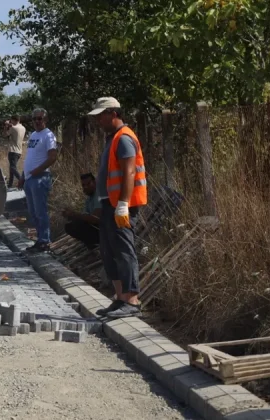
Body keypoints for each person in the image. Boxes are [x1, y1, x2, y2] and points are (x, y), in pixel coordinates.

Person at [87, 97, 147, 319]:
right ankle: (120, 297)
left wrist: (123, 204)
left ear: (113, 113)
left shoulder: (124, 139)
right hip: (110, 204)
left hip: (123, 206)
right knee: (109, 250)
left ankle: (131, 299)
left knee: (123, 251)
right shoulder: (112, 138)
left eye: (101, 115)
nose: (98, 120)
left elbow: (129, 172)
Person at [18, 108, 58, 253]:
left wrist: (38, 170)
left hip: (40, 178)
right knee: (33, 212)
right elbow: (30, 157)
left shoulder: (48, 135)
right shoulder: (33, 135)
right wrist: (23, 176)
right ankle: (39, 239)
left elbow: (52, 157)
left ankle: (45, 241)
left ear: (45, 120)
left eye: (39, 118)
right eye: (34, 119)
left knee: (41, 211)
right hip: (29, 178)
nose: (36, 121)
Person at [62, 173, 102, 248]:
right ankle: (91, 244)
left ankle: (96, 243)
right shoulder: (89, 200)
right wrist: (70, 216)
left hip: (103, 229)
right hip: (95, 228)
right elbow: (84, 216)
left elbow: (95, 219)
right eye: (83, 185)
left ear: (95, 182)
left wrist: (75, 214)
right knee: (70, 226)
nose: (86, 187)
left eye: (88, 184)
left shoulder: (99, 195)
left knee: (79, 224)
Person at [4, 115, 26, 189]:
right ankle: (10, 185)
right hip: (19, 151)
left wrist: (6, 125)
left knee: (12, 168)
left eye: (11, 120)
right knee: (12, 169)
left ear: (14, 120)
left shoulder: (13, 128)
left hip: (13, 150)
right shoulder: (23, 128)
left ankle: (22, 181)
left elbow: (5, 134)